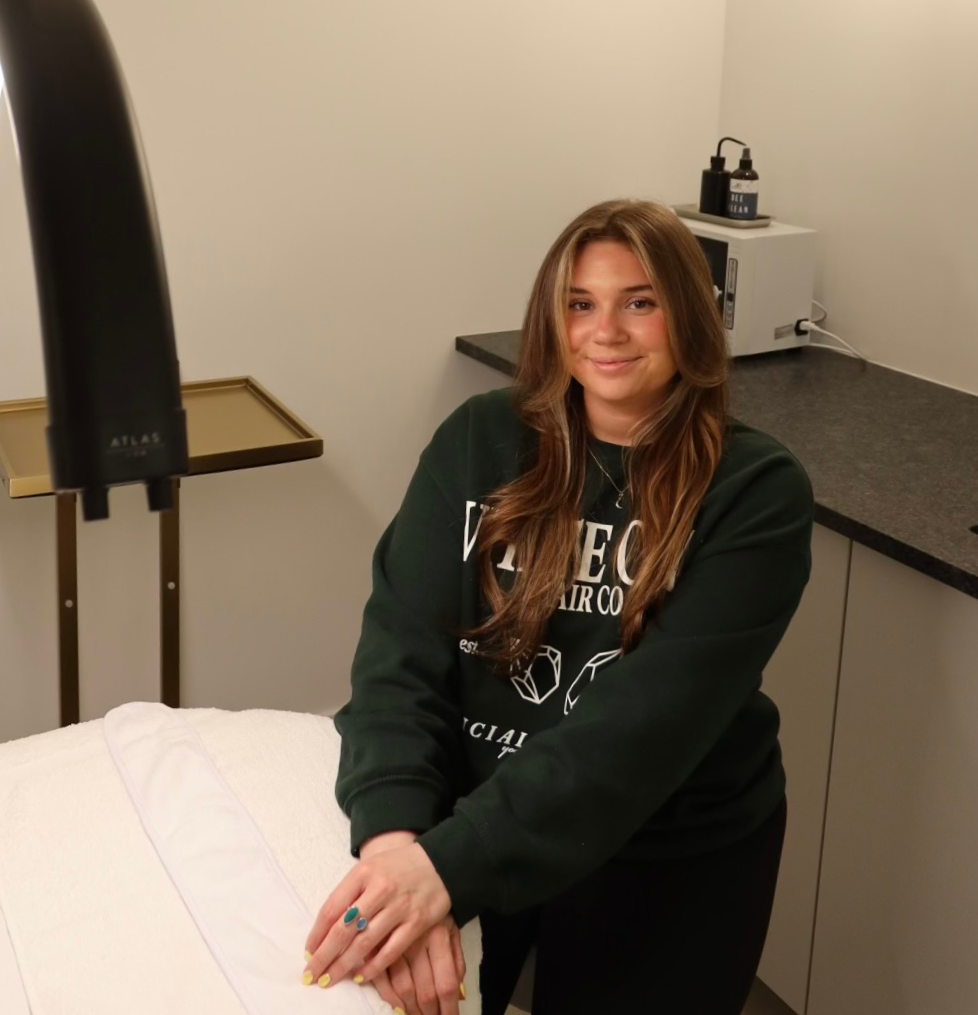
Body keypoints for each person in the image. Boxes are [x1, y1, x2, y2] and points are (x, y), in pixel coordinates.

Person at [302, 199, 814, 1015]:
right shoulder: (480, 441)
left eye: (639, 301)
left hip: (668, 846)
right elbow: (401, 655)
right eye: (580, 303)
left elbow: (642, 729)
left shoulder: (755, 490)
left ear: (689, 312)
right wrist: (398, 844)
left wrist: (443, 869)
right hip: (478, 806)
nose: (604, 331)